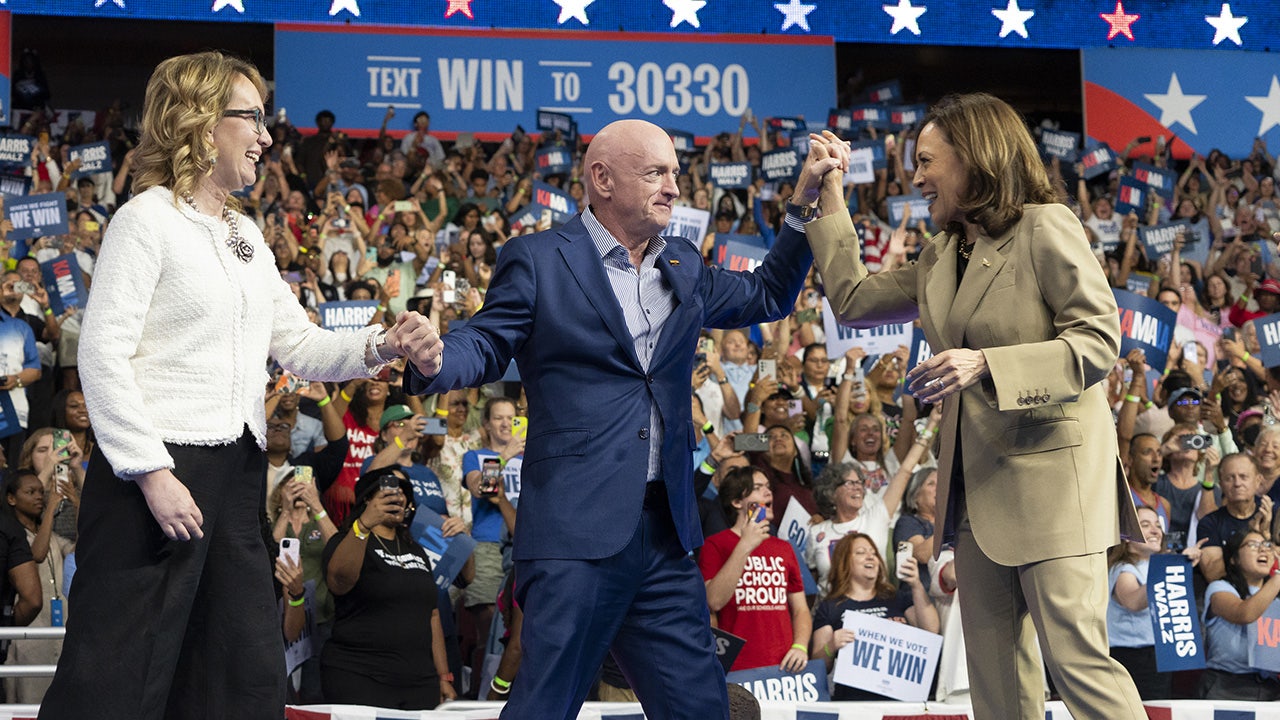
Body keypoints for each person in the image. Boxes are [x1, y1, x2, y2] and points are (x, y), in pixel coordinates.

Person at [395, 118, 833, 719]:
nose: (673, 187)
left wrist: (804, 204)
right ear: (601, 178)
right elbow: (486, 343)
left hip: (666, 539)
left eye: (675, 174)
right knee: (543, 708)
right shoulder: (539, 259)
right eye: (655, 172)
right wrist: (437, 356)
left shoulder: (681, 262)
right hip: (575, 536)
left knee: (702, 710)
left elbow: (769, 296)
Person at [39, 52, 425, 720]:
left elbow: (300, 343)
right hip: (153, 481)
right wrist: (152, 474)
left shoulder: (246, 235)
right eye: (250, 116)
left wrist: (381, 343)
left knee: (243, 675)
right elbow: (101, 356)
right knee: (118, 679)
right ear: (198, 123)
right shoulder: (145, 219)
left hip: (236, 479)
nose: (269, 136)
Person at [804, 93, 1145, 720]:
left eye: (928, 160)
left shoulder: (1045, 226)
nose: (916, 176)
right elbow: (850, 298)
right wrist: (827, 193)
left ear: (974, 158)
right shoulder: (939, 255)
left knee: (1078, 669)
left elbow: (1099, 340)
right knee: (996, 691)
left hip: (1053, 490)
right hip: (977, 495)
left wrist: (988, 363)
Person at [321, 467, 456, 708]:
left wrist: (443, 676)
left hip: (419, 681)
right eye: (387, 493)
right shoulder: (344, 540)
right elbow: (339, 582)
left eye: (403, 493)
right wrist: (363, 526)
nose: (397, 497)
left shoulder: (417, 550)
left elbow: (431, 613)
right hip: (360, 676)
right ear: (367, 500)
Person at [699, 467, 810, 673]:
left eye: (768, 487)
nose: (768, 493)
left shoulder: (784, 548)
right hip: (738, 667)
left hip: (783, 667)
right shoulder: (715, 544)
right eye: (758, 488)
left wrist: (800, 646)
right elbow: (713, 600)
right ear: (736, 502)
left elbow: (801, 609)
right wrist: (745, 545)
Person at [809, 531, 939, 700]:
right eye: (861, 553)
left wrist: (916, 585)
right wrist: (831, 645)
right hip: (855, 705)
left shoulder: (898, 598)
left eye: (873, 553)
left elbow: (932, 629)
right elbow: (819, 664)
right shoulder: (830, 607)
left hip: (900, 704)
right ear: (844, 562)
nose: (870, 557)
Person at [1200, 530, 1280, 700]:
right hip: (1227, 685)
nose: (1263, 550)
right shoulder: (1219, 588)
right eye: (1253, 545)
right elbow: (1244, 614)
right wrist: (1278, 577)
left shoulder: (1276, 593)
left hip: (1271, 688)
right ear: (1233, 558)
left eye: (1267, 545)